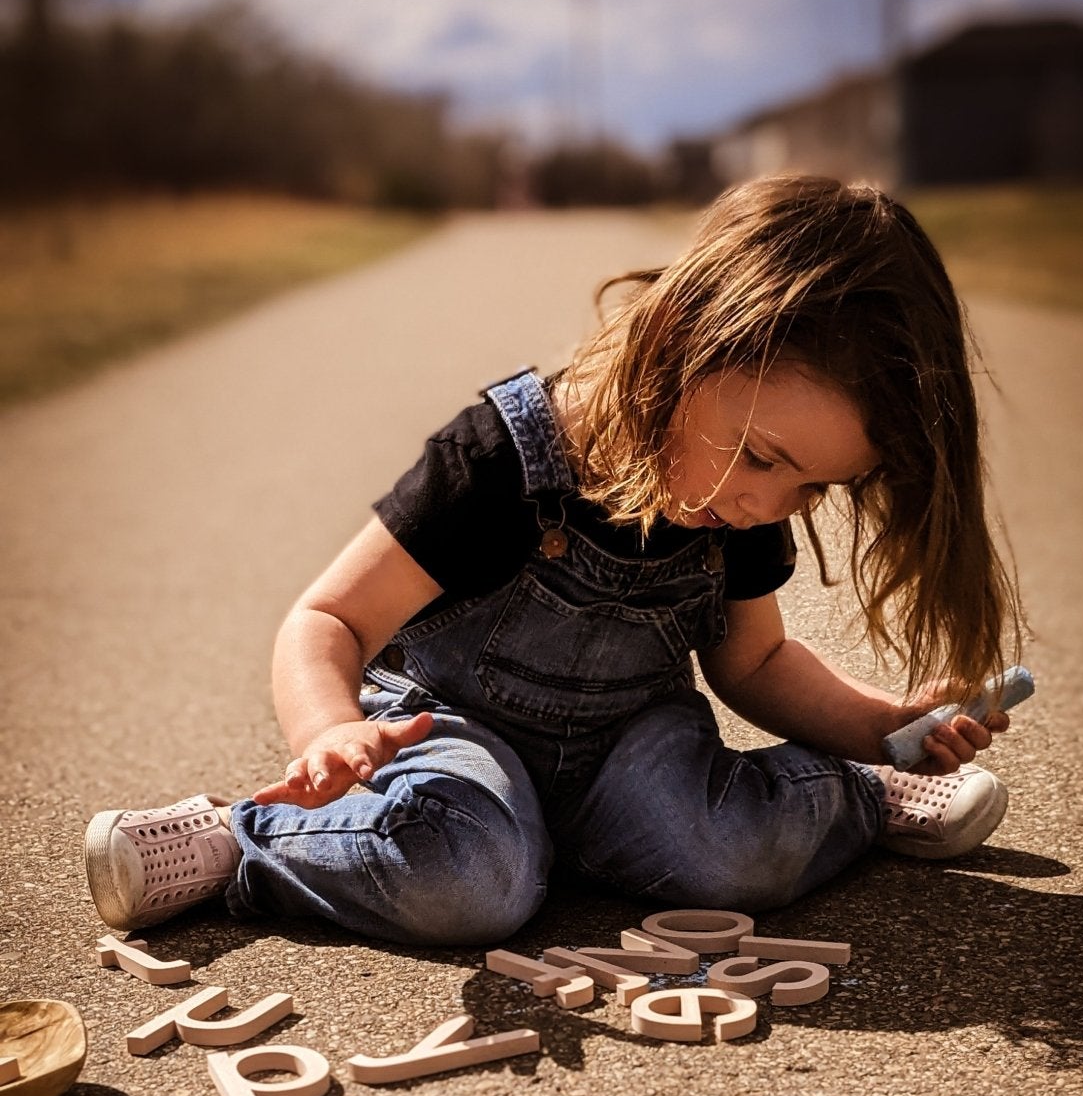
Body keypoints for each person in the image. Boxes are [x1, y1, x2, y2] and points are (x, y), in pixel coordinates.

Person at [84, 175, 1023, 945]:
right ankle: (245, 839)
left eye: (817, 489)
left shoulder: (743, 499)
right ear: (683, 340)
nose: (767, 504)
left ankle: (863, 789)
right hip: (450, 740)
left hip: (631, 749)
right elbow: (328, 621)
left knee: (737, 863)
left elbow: (757, 662)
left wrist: (877, 724)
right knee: (470, 887)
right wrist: (328, 732)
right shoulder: (505, 457)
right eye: (766, 458)